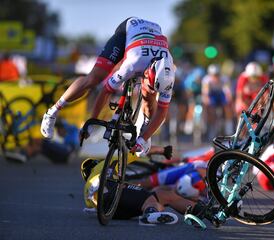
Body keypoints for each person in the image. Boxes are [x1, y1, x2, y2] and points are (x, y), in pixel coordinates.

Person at [41, 17, 176, 158]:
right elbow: (106, 90)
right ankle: (52, 112)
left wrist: (143, 138)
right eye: (149, 80)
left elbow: (162, 112)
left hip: (151, 38)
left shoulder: (169, 75)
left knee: (149, 94)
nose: (149, 85)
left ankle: (144, 129)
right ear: (147, 72)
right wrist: (92, 121)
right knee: (94, 78)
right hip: (129, 30)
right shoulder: (133, 64)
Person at [81, 157, 206, 225]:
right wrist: (161, 151)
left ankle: (201, 211)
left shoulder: (87, 190)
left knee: (163, 194)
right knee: (148, 199)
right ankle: (150, 213)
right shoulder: (104, 164)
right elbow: (136, 154)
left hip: (111, 211)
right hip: (114, 192)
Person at [5, 118, 80, 164]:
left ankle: (22, 153)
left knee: (40, 141)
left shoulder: (71, 128)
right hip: (64, 157)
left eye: (59, 130)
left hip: (67, 152)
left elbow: (59, 123)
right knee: (40, 148)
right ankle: (23, 156)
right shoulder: (70, 132)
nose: (58, 133)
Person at [201, 64, 233, 138]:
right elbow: (205, 92)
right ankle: (211, 127)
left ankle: (229, 128)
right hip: (212, 94)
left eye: (217, 75)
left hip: (221, 93)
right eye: (214, 75)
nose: (216, 77)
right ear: (210, 75)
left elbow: (227, 91)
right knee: (210, 108)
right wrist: (207, 100)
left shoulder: (224, 79)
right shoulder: (206, 80)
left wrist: (229, 98)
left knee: (227, 106)